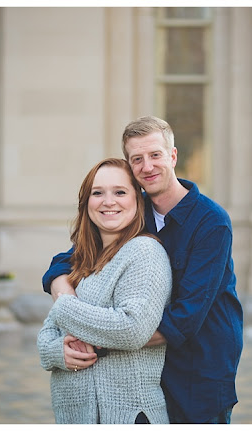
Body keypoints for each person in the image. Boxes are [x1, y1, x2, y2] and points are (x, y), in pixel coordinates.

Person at [43, 116, 244, 424]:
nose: (147, 166)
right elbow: (71, 260)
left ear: (173, 156)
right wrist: (63, 292)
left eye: (155, 155)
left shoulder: (211, 222)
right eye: (137, 159)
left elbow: (185, 319)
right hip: (148, 367)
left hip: (200, 366)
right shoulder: (134, 211)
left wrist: (84, 341)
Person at [37, 157, 172, 424]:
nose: (108, 201)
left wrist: (63, 302)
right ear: (86, 203)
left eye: (120, 192)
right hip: (75, 415)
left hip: (127, 414)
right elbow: (47, 334)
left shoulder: (144, 252)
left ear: (138, 200)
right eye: (97, 193)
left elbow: (132, 329)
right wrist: (58, 353)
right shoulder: (80, 259)